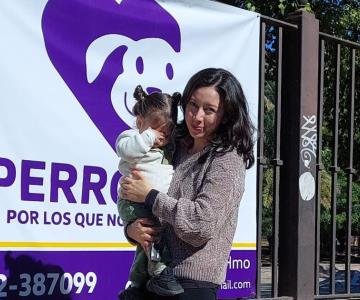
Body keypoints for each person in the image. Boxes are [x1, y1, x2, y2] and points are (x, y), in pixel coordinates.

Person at [121, 68, 255, 300]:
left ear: (226, 115)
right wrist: (132, 230)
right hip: (152, 280)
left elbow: (201, 225)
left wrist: (149, 196)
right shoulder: (175, 146)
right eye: (193, 105)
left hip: (192, 285)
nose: (197, 116)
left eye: (209, 110)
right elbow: (151, 210)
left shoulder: (228, 160)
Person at [116, 85, 184, 299]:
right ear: (139, 121)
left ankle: (136, 284)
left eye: (167, 131)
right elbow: (124, 150)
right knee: (151, 237)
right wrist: (147, 137)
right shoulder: (131, 137)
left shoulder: (168, 147)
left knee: (144, 247)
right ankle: (161, 272)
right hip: (133, 202)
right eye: (155, 128)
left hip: (153, 203)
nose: (160, 136)